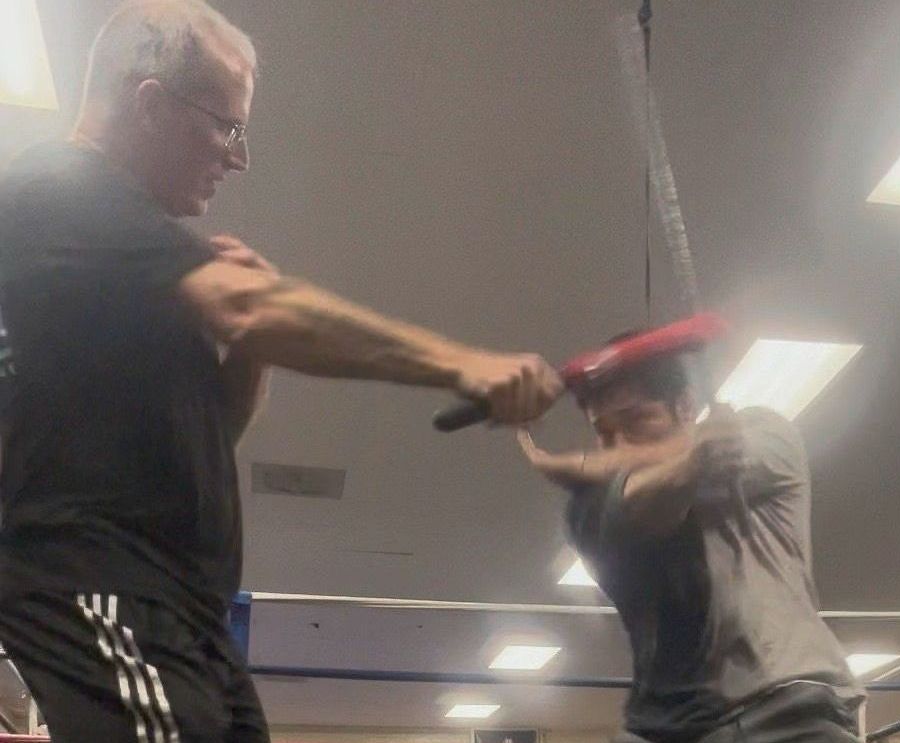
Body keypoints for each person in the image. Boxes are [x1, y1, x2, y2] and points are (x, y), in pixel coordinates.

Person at [0, 2, 562, 741]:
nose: (238, 156)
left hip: (188, 610)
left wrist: (252, 350)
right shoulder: (57, 190)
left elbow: (209, 436)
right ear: (150, 105)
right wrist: (465, 364)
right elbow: (247, 307)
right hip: (105, 584)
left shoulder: (129, 260)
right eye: (228, 127)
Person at [518, 346, 863, 743]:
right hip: (666, 725)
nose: (619, 445)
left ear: (685, 407)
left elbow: (720, 455)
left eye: (637, 419)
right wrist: (685, 463)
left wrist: (577, 465)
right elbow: (651, 507)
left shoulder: (764, 431)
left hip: (787, 706)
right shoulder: (587, 510)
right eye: (604, 432)